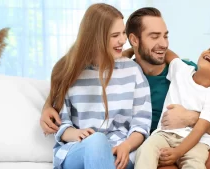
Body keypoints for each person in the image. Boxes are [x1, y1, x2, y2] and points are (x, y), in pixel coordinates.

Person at [41, 7, 210, 169]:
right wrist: (47, 106)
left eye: (165, 36)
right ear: (135, 40)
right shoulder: (126, 70)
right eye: (154, 37)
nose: (164, 44)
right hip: (158, 144)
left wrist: (190, 117)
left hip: (195, 141)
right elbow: (67, 88)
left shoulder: (184, 71)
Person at [50, 3, 152, 169]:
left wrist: (126, 146)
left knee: (103, 150)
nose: (123, 40)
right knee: (97, 140)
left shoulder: (133, 72)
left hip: (120, 151)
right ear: (95, 38)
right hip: (79, 149)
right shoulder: (71, 72)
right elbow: (61, 125)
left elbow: (141, 124)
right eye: (115, 35)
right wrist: (75, 133)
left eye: (123, 33)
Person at [135, 42, 210, 169]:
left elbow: (199, 130)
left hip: (197, 142)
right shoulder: (181, 69)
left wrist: (178, 152)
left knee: (194, 164)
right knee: (146, 149)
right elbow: (167, 53)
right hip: (165, 134)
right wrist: (135, 49)